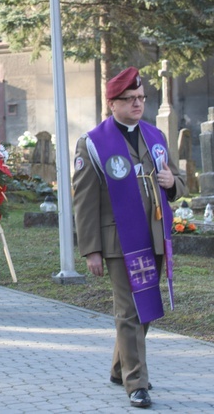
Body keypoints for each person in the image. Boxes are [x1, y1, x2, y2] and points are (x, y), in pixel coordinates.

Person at [72, 67, 186, 409]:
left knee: (147, 308)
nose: (138, 104)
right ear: (112, 103)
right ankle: (136, 382)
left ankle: (119, 367)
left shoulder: (155, 136)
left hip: (153, 236)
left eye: (141, 98)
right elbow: (84, 200)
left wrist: (172, 183)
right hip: (119, 241)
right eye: (130, 99)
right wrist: (90, 249)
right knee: (130, 310)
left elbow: (177, 182)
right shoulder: (93, 143)